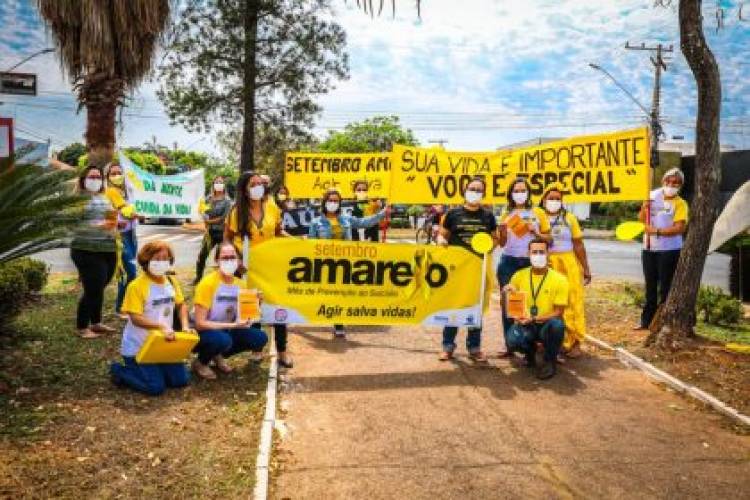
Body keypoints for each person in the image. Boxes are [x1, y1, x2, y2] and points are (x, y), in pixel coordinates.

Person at [225, 171, 293, 368]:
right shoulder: (236, 211)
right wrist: (235, 257)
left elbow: (279, 232)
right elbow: (227, 237)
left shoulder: (272, 207)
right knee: (252, 307)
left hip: (272, 266)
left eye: (260, 183)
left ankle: (282, 351)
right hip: (248, 269)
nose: (258, 187)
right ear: (245, 190)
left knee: (279, 306)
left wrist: (298, 242)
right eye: (253, 184)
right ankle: (257, 349)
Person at [110, 241, 191, 395]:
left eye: (165, 258)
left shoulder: (171, 281)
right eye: (157, 259)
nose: (161, 262)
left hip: (161, 345)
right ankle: (119, 371)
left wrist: (185, 326)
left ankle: (156, 369)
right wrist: (160, 326)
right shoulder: (136, 286)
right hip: (139, 348)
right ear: (146, 261)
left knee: (180, 380)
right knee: (155, 388)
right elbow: (135, 318)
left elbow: (181, 305)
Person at [308, 188, 388, 338]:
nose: (333, 203)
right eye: (330, 200)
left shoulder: (346, 219)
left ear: (340, 203)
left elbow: (365, 222)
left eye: (336, 201)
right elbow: (311, 244)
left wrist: (383, 213)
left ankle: (339, 324)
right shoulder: (315, 222)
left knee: (339, 294)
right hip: (324, 264)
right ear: (324, 202)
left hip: (343, 265)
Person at [436, 177, 498, 363]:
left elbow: (494, 239)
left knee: (475, 309)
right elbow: (442, 235)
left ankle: (474, 348)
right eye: (472, 189)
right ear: (465, 190)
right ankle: (447, 346)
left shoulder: (488, 216)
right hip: (456, 269)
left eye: (479, 190)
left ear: (483, 194)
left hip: (478, 268)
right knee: (454, 307)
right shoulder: (452, 214)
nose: (475, 192)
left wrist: (489, 246)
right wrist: (441, 241)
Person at [192, 243, 268, 379]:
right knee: (223, 340)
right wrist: (233, 326)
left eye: (232, 257)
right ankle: (201, 362)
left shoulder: (241, 284)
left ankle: (217, 354)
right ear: (217, 261)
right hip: (203, 333)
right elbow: (199, 324)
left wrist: (256, 304)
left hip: (225, 330)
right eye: (224, 258)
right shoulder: (207, 283)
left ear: (239, 260)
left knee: (260, 338)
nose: (229, 261)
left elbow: (245, 317)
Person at [497, 177, 551, 353]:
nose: (520, 194)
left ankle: (530, 345)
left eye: (523, 190)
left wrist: (535, 231)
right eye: (516, 191)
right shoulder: (506, 214)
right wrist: (503, 232)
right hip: (508, 262)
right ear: (511, 194)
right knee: (509, 304)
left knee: (531, 303)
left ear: (528, 193)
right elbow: (502, 243)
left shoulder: (538, 213)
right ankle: (510, 344)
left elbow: (549, 239)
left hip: (531, 263)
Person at [503, 238, 568, 380]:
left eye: (541, 252)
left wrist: (533, 318)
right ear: (528, 254)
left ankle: (550, 361)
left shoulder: (560, 280)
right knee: (512, 341)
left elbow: (558, 312)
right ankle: (530, 354)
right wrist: (507, 294)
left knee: (557, 325)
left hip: (546, 324)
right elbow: (510, 307)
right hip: (526, 324)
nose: (538, 255)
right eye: (534, 252)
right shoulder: (519, 275)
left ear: (548, 253)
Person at [541, 185, 591, 358]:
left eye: (557, 198)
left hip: (568, 263)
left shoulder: (570, 218)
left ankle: (575, 342)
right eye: (550, 198)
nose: (554, 201)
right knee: (549, 302)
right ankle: (554, 341)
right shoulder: (538, 218)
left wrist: (586, 268)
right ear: (543, 199)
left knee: (572, 301)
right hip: (547, 263)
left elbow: (578, 244)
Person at [636, 168, 689, 330]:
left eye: (675, 183)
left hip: (669, 251)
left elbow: (679, 228)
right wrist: (644, 208)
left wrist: (657, 231)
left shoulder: (680, 203)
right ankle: (646, 322)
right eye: (668, 181)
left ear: (680, 185)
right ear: (663, 181)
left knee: (666, 288)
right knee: (650, 286)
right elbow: (640, 220)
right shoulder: (652, 196)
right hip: (649, 249)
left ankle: (661, 323)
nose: (671, 185)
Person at [71, 166, 118, 338]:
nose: (95, 179)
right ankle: (82, 327)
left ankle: (96, 323)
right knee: (93, 288)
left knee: (100, 287)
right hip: (86, 250)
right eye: (92, 176)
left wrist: (117, 224)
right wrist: (95, 226)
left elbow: (110, 220)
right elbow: (70, 224)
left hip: (108, 248)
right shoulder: (77, 200)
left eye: (98, 177)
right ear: (83, 179)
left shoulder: (104, 197)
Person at [105, 162, 138, 318]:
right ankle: (120, 307)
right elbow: (125, 210)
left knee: (132, 272)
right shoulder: (110, 192)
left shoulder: (128, 192)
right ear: (108, 177)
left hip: (132, 234)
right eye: (113, 173)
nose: (117, 176)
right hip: (120, 236)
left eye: (119, 172)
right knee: (128, 272)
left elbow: (134, 209)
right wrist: (136, 213)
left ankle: (127, 305)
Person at [194, 176, 232, 284]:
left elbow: (224, 218)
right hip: (209, 233)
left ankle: (224, 279)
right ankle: (198, 278)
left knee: (223, 257)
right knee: (202, 255)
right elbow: (203, 210)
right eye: (216, 182)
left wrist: (209, 222)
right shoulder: (208, 198)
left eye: (221, 182)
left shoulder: (227, 201)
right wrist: (203, 216)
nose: (218, 184)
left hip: (222, 233)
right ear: (213, 184)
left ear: (224, 185)